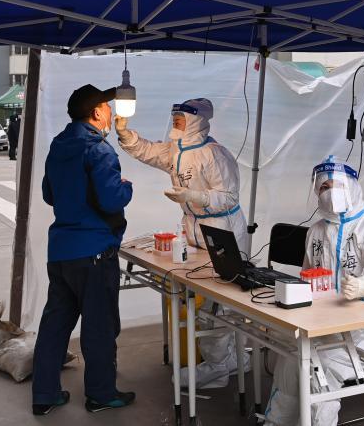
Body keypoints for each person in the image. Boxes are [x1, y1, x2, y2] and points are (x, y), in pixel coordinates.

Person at [263, 157, 364, 426]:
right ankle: (277, 422)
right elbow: (309, 275)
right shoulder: (317, 231)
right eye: (323, 187)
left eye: (336, 185)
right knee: (291, 356)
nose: (330, 192)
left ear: (353, 186)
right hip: (333, 323)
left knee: (318, 364)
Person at [116, 97, 248, 388]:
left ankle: (218, 367)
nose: (175, 122)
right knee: (206, 299)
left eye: (181, 119)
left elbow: (229, 197)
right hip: (196, 229)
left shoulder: (214, 155)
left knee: (220, 304)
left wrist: (195, 197)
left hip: (222, 230)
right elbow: (150, 152)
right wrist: (126, 135)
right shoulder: (177, 150)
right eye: (174, 117)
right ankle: (228, 358)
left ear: (196, 121)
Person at [31, 84, 135, 416]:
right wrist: (126, 187)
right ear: (96, 113)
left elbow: (49, 194)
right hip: (94, 252)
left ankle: (44, 394)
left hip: (61, 252)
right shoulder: (98, 150)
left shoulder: (59, 145)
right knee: (99, 327)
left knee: (55, 325)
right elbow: (111, 200)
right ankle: (101, 394)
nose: (112, 112)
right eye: (107, 107)